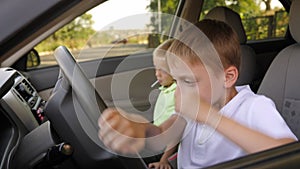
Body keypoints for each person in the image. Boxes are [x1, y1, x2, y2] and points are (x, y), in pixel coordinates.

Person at [98, 19, 297, 168]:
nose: (181, 91)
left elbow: (289, 155)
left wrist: (210, 117)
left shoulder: (254, 107)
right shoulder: (191, 110)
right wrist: (139, 129)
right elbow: (161, 135)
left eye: (188, 82)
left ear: (227, 77)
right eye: (177, 81)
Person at [149, 39, 177, 169]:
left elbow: (177, 131)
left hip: (169, 148)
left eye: (163, 70)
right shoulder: (167, 88)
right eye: (155, 68)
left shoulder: (178, 93)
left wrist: (164, 160)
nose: (157, 74)